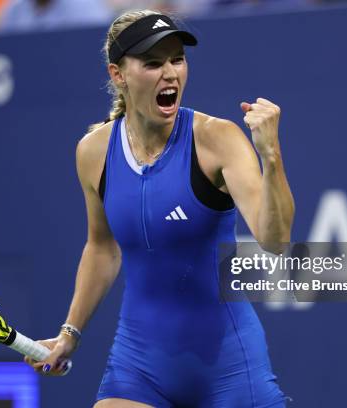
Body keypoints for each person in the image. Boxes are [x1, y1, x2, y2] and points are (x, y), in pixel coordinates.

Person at [24, 9, 295, 408]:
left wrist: (271, 157)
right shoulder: (93, 152)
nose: (170, 73)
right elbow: (102, 248)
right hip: (138, 367)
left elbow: (275, 242)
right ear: (119, 75)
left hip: (231, 371)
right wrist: (70, 333)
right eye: (153, 63)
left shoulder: (218, 139)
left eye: (177, 59)